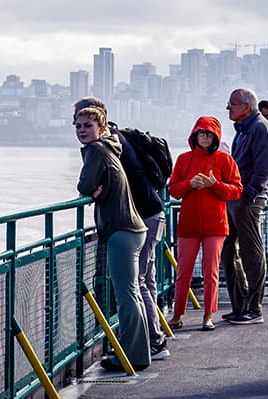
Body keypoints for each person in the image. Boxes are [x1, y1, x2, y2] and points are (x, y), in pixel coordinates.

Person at [74, 96, 171, 362]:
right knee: (136, 289)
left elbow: (84, 186)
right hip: (137, 224)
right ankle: (141, 350)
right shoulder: (112, 145)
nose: (82, 130)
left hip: (122, 228)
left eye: (87, 125)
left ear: (102, 126)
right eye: (78, 125)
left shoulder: (96, 150)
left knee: (128, 293)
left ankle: (136, 353)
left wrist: (90, 189)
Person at [166, 116, 243, 331]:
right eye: (202, 133)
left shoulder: (225, 160)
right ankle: (177, 314)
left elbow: (237, 190)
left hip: (215, 225)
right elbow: (173, 189)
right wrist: (189, 184)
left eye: (209, 134)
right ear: (195, 136)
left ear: (216, 137)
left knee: (211, 272)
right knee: (183, 271)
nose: (205, 137)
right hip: (189, 224)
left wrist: (215, 185)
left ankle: (208, 315)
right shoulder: (183, 159)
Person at [221, 88, 268, 325]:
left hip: (247, 200)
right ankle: (240, 304)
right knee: (228, 252)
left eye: (232, 104)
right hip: (235, 198)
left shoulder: (259, 128)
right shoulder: (243, 130)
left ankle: (254, 308)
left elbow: (263, 167)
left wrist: (249, 196)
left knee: (252, 253)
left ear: (246, 106)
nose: (228, 108)